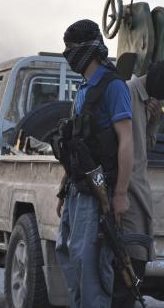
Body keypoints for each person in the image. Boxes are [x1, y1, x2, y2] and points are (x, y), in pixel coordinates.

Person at [55, 19, 134, 308]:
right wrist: (63, 189)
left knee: (89, 266)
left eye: (72, 49)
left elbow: (126, 141)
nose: (69, 55)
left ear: (88, 49)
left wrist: (121, 194)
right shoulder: (84, 89)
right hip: (78, 189)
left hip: (98, 193)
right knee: (68, 256)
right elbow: (77, 145)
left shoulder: (113, 87)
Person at [111, 58, 164, 308]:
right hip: (127, 194)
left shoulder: (149, 102)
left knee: (136, 264)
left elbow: (144, 147)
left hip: (139, 193)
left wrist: (154, 122)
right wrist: (120, 193)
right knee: (127, 266)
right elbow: (119, 146)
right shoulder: (125, 92)